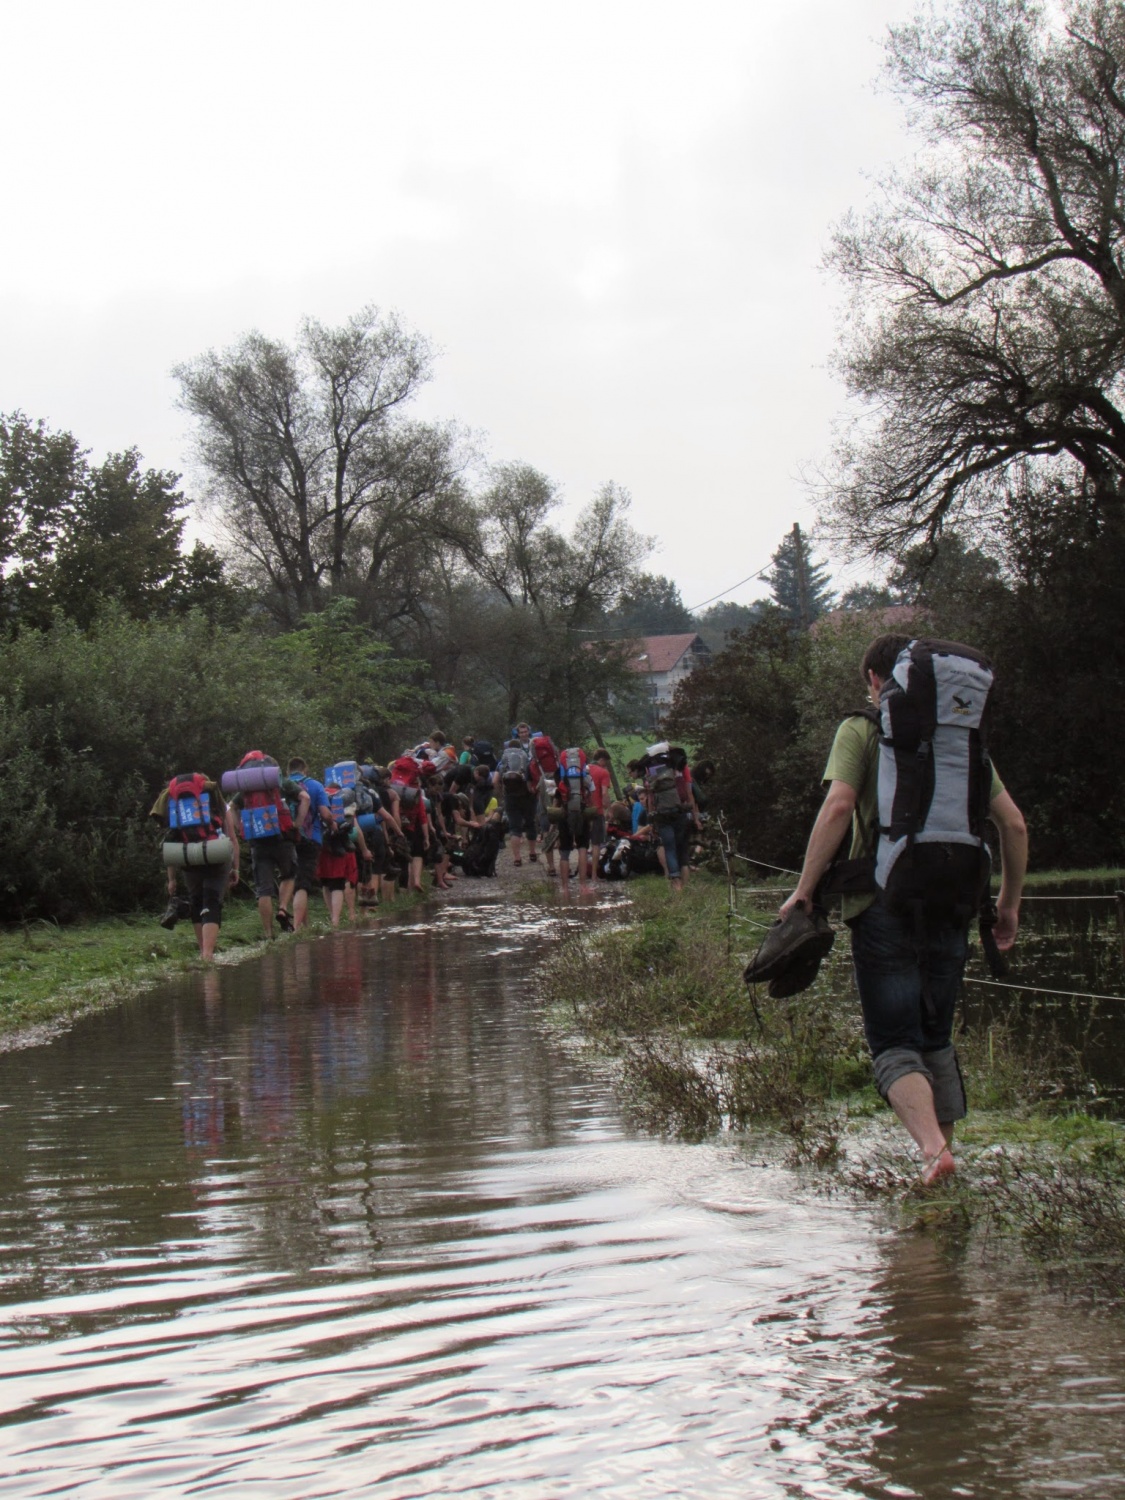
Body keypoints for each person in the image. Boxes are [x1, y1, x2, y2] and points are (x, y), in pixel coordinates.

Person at [779, 634, 1027, 1186]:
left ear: (875, 680)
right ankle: (946, 1161)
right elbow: (1013, 823)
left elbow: (839, 805)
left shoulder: (861, 729)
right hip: (954, 904)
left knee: (894, 1042)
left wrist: (804, 889)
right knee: (935, 1037)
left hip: (882, 904)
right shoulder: (964, 745)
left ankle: (933, 1151)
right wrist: (1007, 905)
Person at [150, 772, 240, 961]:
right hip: (216, 855)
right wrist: (235, 868)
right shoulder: (217, 804)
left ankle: (202, 953)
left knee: (197, 902)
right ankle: (208, 954)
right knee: (212, 900)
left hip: (188, 858)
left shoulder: (176, 807)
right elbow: (231, 837)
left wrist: (172, 878)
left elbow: (172, 840)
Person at [285, 758, 328, 930]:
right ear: (305, 769)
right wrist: (332, 823)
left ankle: (304, 925)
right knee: (303, 883)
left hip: (286, 839)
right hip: (310, 838)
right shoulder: (316, 786)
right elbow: (325, 813)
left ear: (288, 770)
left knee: (292, 880)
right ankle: (297, 928)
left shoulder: (282, 785)